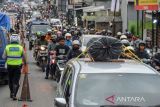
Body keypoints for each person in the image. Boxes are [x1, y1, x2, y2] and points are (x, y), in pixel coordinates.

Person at [2, 35, 27, 100]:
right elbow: (24, 57)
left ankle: (11, 93)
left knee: (10, 80)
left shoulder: (7, 47)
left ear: (10, 40)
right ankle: (14, 94)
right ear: (18, 40)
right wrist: (25, 63)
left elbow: (3, 57)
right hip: (17, 67)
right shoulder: (20, 48)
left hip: (9, 66)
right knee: (16, 81)